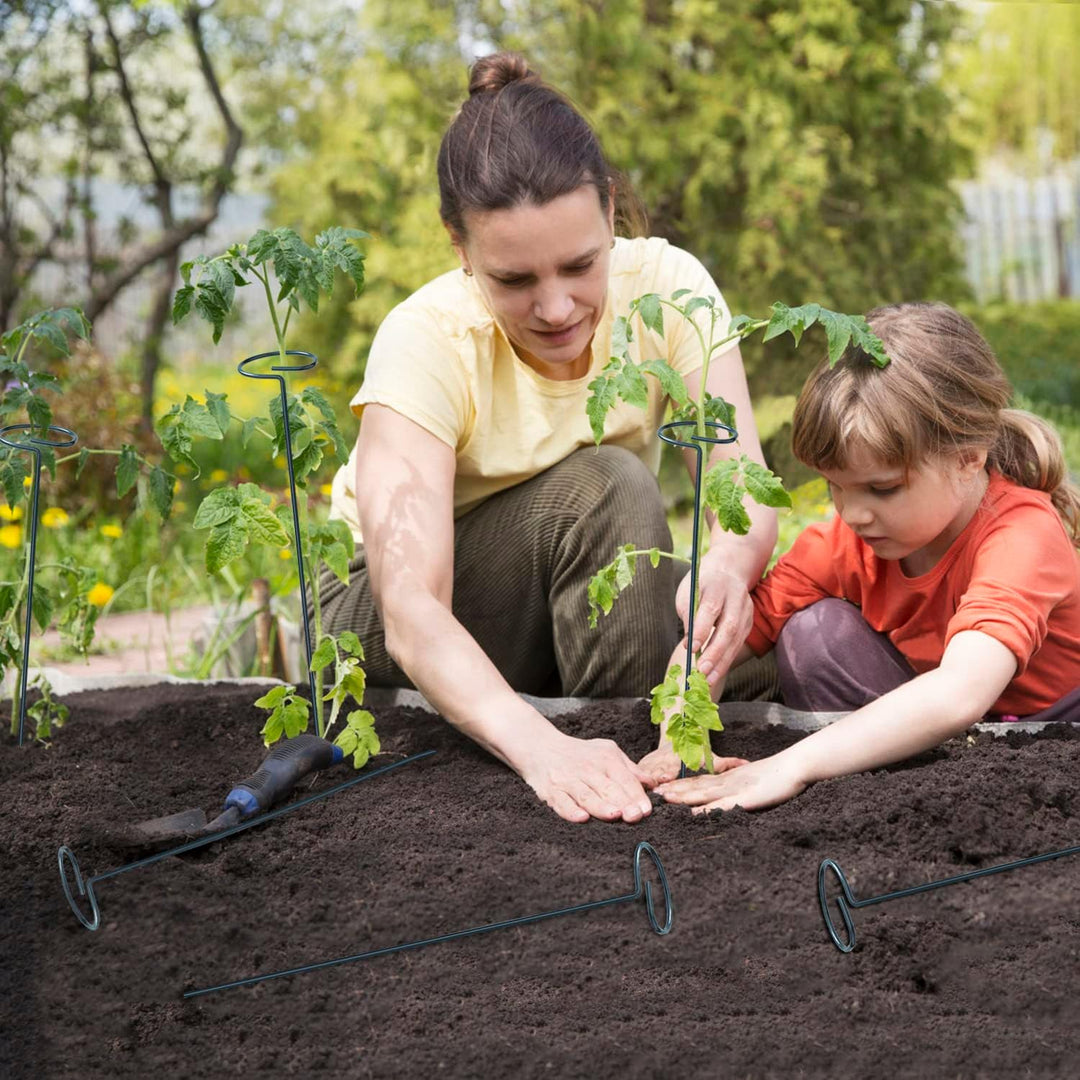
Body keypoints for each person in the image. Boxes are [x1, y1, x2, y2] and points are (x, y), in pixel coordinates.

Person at [320, 51, 779, 824]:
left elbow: (742, 491)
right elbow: (411, 610)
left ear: (610, 211)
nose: (558, 307)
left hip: (567, 588)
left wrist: (727, 573)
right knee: (607, 489)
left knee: (776, 637)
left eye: (579, 265)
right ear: (460, 247)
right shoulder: (425, 341)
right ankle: (613, 754)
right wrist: (543, 751)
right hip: (384, 620)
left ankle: (637, 758)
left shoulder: (668, 288)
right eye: (515, 280)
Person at [653, 301, 1080, 814]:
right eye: (835, 486)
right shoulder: (849, 542)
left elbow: (960, 692)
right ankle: (883, 796)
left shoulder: (1021, 535)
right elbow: (716, 641)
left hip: (1051, 736)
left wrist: (790, 764)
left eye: (882, 489)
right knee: (815, 636)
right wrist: (679, 736)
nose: (853, 513)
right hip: (940, 742)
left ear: (968, 458)